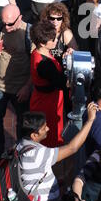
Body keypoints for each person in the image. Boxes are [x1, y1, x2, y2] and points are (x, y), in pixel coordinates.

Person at [17, 105, 97, 201]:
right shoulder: (37, 154)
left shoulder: (20, 146)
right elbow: (72, 147)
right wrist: (90, 120)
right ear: (34, 135)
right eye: (44, 128)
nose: (48, 129)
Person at [0, 4, 31, 160]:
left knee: (22, 123)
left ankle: (21, 156)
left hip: (20, 87)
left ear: (20, 18)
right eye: (3, 22)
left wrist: (27, 87)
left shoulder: (28, 33)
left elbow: (37, 62)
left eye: (10, 23)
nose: (6, 26)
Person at [29, 19, 67, 147]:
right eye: (52, 40)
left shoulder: (37, 53)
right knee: (49, 137)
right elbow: (62, 83)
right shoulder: (44, 65)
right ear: (42, 43)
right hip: (48, 104)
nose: (56, 41)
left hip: (41, 99)